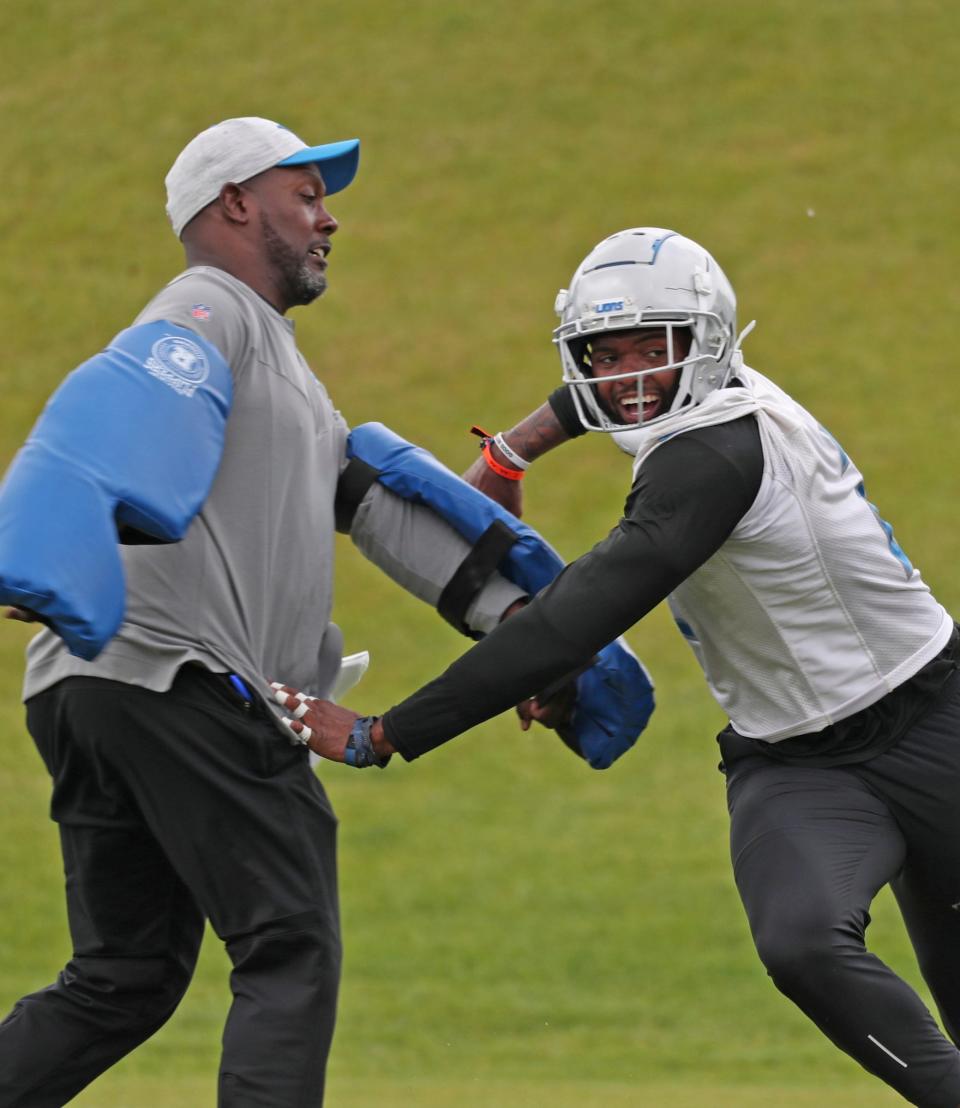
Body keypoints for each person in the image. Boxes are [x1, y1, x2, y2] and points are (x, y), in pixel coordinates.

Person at [282, 228, 960, 1107]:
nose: (631, 378)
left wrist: (382, 734)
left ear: (705, 346)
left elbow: (570, 623)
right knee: (799, 942)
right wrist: (510, 450)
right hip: (797, 760)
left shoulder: (711, 456)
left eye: (654, 350)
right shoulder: (694, 398)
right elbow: (593, 397)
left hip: (936, 720)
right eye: (609, 354)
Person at [0, 116, 531, 1107]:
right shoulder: (211, 307)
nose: (330, 220)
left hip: (94, 692)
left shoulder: (296, 389)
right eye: (308, 196)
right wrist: (49, 530)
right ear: (236, 203)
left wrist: (532, 636)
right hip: (183, 680)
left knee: (124, 978)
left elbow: (390, 511)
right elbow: (132, 397)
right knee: (289, 944)